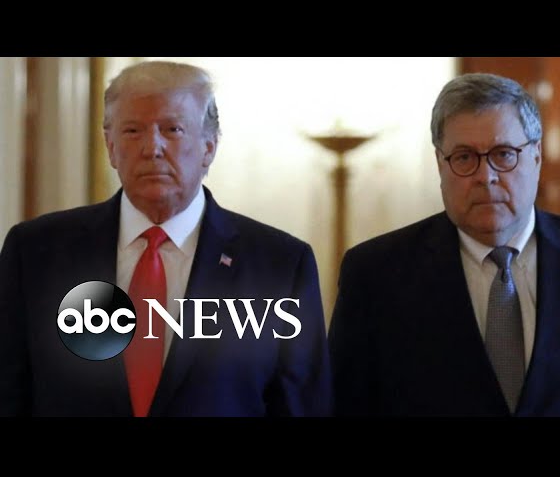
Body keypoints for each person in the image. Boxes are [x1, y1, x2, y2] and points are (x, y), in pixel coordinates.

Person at [0, 60, 331, 417]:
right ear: (110, 146)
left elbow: (303, 405)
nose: (152, 147)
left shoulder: (279, 264)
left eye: (172, 129)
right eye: (132, 131)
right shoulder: (36, 252)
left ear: (209, 147)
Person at [328, 72, 560, 417]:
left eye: (504, 154)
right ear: (440, 164)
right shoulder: (374, 274)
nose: (485, 176)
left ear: (536, 156)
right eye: (464, 157)